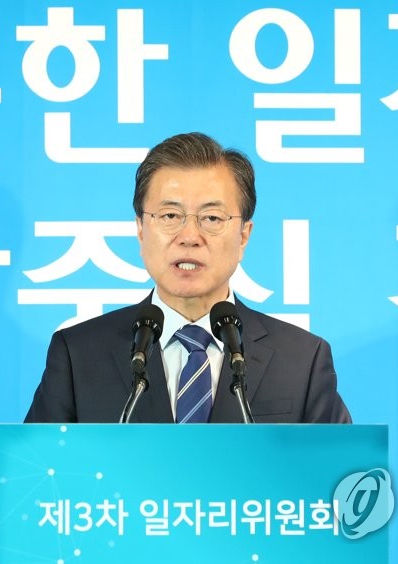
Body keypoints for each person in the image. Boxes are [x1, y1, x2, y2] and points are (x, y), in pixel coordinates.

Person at [25, 132, 351, 423]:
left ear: (243, 236)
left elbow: (340, 469)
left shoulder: (301, 361)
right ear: (141, 230)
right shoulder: (79, 355)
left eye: (212, 218)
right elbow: (35, 469)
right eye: (170, 215)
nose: (190, 236)